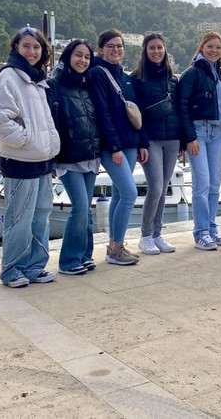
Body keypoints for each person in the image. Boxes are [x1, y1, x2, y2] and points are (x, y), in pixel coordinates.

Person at [0, 26, 60, 288]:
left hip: (42, 162)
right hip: (20, 161)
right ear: (16, 48)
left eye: (36, 47)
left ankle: (34, 266)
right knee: (19, 218)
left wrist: (42, 145)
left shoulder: (37, 80)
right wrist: (28, 141)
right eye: (26, 46)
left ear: (43, 51)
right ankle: (11, 269)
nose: (31, 51)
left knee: (41, 215)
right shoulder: (9, 77)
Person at [89, 29, 148, 265]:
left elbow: (136, 111)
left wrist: (142, 142)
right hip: (113, 145)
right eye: (111, 46)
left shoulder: (124, 76)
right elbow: (102, 113)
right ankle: (117, 247)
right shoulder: (97, 73)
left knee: (119, 194)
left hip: (131, 143)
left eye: (120, 46)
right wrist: (113, 146)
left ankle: (113, 245)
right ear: (101, 48)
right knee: (130, 192)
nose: (116, 50)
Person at [47, 39, 101, 275]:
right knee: (79, 206)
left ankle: (84, 255)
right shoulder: (54, 85)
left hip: (89, 154)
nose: (83, 60)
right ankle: (68, 261)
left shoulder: (87, 85)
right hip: (67, 156)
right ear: (68, 56)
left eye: (87, 57)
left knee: (86, 208)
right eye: (78, 55)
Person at [176, 31, 221, 250]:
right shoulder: (192, 73)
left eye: (218, 47)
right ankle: (200, 232)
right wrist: (189, 137)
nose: (214, 50)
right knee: (202, 184)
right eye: (210, 46)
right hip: (199, 131)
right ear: (202, 48)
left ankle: (211, 227)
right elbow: (182, 105)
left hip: (218, 131)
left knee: (215, 184)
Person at [131, 33, 181, 255]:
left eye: (160, 47)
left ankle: (157, 234)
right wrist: (141, 142)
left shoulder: (172, 79)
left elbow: (179, 109)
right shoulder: (137, 79)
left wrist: (182, 143)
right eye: (152, 48)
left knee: (164, 189)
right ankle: (144, 236)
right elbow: (134, 115)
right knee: (156, 188)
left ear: (165, 50)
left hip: (172, 139)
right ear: (145, 50)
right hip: (150, 138)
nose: (156, 51)